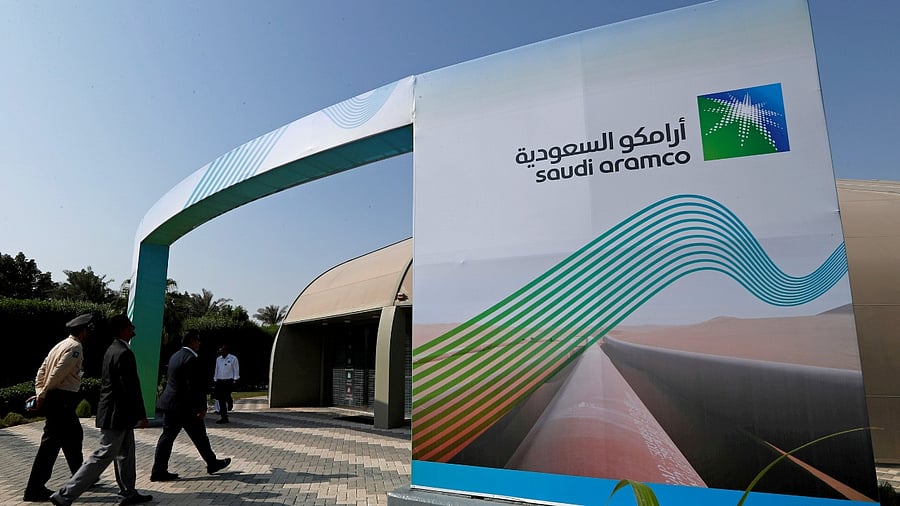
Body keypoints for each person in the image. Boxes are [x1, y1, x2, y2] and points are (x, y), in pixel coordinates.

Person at [49, 314, 152, 506]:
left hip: (116, 414)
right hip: (117, 415)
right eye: (130, 326)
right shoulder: (124, 353)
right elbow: (130, 388)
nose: (134, 329)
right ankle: (65, 494)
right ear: (122, 329)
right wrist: (141, 415)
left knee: (127, 454)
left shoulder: (112, 350)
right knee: (104, 454)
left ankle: (128, 492)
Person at [23, 314, 95, 502]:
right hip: (62, 399)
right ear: (82, 331)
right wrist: (42, 395)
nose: (89, 333)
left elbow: (42, 370)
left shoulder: (60, 344)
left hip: (57, 399)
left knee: (73, 437)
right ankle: (34, 488)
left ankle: (81, 478)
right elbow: (57, 373)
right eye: (88, 329)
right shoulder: (75, 347)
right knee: (50, 445)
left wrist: (40, 391)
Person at [150, 331, 231, 482]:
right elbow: (194, 386)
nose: (199, 344)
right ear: (192, 341)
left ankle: (211, 463)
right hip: (184, 407)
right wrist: (201, 407)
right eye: (198, 341)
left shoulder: (175, 356)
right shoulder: (191, 359)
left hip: (173, 404)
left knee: (174, 438)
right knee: (196, 436)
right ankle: (159, 471)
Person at [212, 344, 240, 424]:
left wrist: (235, 379)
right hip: (220, 381)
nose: (222, 353)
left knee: (226, 396)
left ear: (227, 351)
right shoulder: (218, 359)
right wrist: (215, 379)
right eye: (221, 351)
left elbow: (236, 369)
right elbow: (216, 369)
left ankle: (230, 400)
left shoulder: (233, 359)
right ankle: (224, 417)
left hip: (229, 381)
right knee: (221, 399)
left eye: (223, 351)